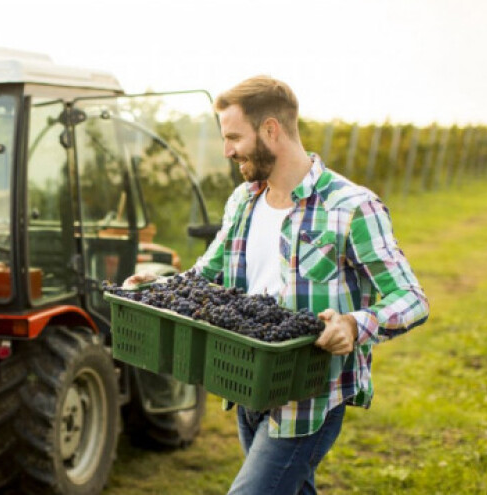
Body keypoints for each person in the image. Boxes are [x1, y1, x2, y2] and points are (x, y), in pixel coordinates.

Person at [125, 75, 429, 494]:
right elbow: (205, 274)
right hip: (247, 381)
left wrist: (354, 324)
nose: (227, 150)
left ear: (270, 130)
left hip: (309, 398)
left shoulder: (351, 207)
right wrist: (160, 285)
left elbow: (411, 298)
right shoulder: (243, 201)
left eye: (234, 137)